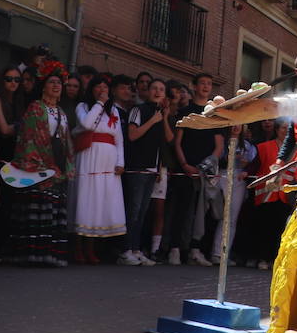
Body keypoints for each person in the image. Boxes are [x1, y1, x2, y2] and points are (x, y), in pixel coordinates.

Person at [7, 70, 75, 267]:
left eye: (59, 83)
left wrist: (66, 165)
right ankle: (30, 255)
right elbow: (28, 135)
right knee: (36, 210)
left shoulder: (62, 113)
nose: (56, 86)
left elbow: (66, 141)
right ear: (43, 87)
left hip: (57, 168)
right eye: (52, 82)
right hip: (38, 165)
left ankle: (50, 255)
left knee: (52, 211)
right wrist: (42, 161)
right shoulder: (36, 108)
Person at [167, 77, 222, 265]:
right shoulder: (185, 111)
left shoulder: (215, 114)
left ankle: (195, 249)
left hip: (206, 172)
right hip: (186, 169)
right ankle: (174, 249)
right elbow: (177, 142)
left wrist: (206, 167)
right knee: (181, 209)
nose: (206, 86)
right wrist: (184, 165)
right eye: (203, 83)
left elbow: (219, 146)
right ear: (194, 86)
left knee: (203, 213)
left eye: (209, 83)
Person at [71, 74, 126, 262]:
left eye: (105, 87)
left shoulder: (115, 112)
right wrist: (100, 104)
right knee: (85, 198)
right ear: (91, 89)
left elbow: (119, 138)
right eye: (98, 87)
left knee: (99, 202)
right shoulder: (83, 107)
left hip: (107, 161)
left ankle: (91, 248)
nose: (102, 90)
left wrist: (121, 162)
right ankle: (78, 247)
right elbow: (87, 124)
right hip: (89, 156)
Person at [120, 77, 167, 266]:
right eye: (154, 88)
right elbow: (132, 135)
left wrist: (158, 169)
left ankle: (136, 249)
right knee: (133, 210)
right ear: (147, 91)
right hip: (137, 168)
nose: (157, 92)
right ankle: (125, 250)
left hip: (151, 170)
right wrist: (153, 121)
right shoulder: (138, 110)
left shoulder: (161, 113)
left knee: (142, 213)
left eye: (161, 89)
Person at [242, 119, 292, 270]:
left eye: (287, 129)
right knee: (264, 228)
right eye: (282, 128)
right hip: (266, 195)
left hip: (285, 196)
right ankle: (262, 258)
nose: (284, 131)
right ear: (277, 130)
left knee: (280, 230)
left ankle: (274, 259)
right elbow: (254, 167)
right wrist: (246, 173)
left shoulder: (295, 149)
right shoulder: (263, 147)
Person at [208, 124, 256, 264]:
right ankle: (207, 251)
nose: (236, 126)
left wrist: (246, 164)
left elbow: (252, 163)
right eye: (233, 123)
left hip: (238, 179)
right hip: (220, 176)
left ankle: (221, 254)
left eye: (239, 123)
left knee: (231, 218)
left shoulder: (248, 146)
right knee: (217, 215)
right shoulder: (221, 141)